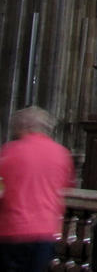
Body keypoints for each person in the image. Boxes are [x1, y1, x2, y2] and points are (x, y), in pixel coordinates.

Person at [0, 107, 74, 271]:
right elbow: (65, 188)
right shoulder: (61, 154)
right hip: (46, 231)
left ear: (24, 127)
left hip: (13, 230)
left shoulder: (11, 151)